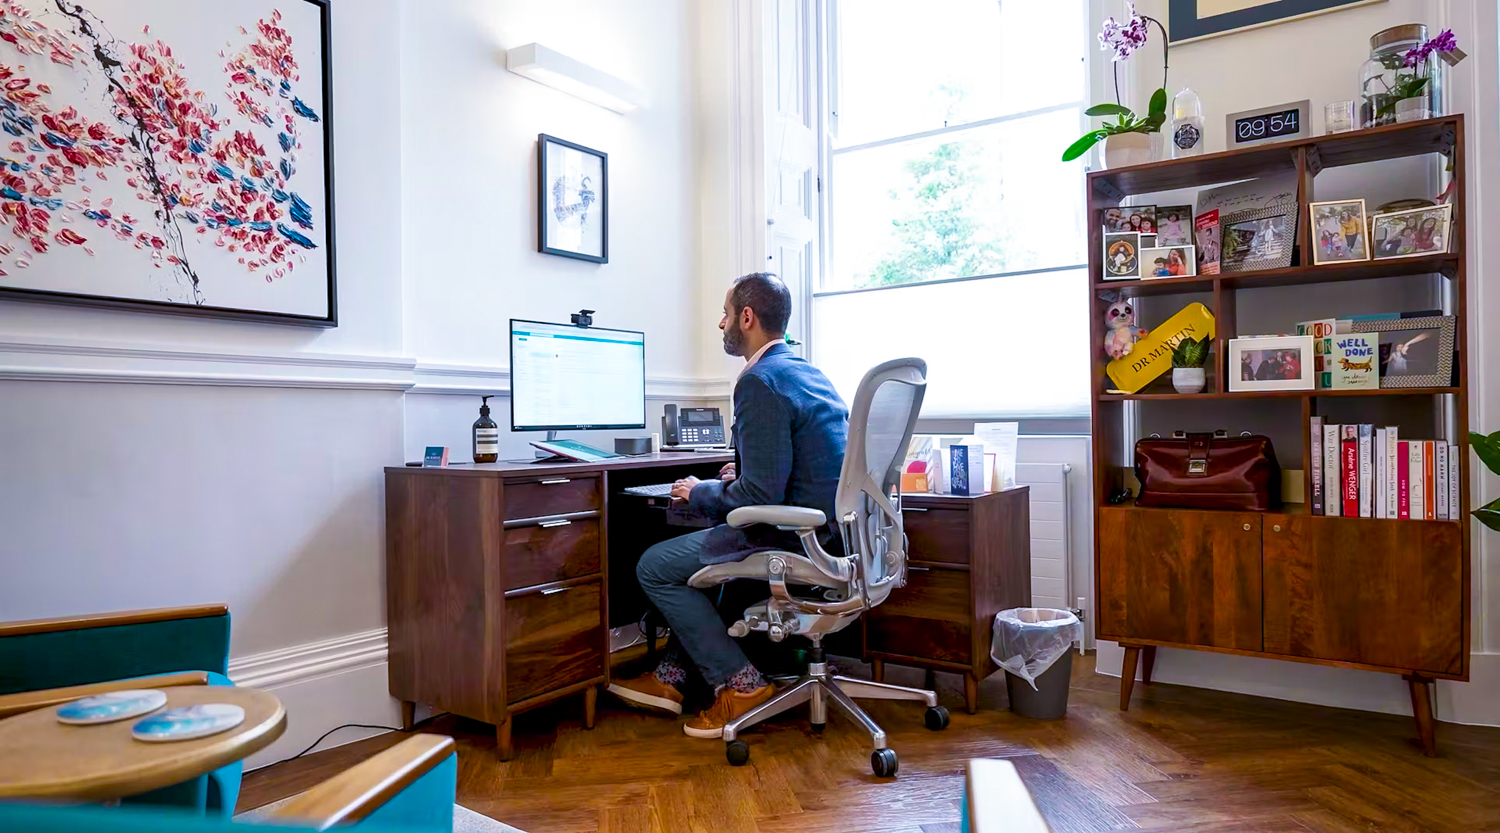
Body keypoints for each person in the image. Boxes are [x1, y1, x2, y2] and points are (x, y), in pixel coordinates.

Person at [607, 272, 849, 739]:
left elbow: (759, 498)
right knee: (707, 565)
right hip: (831, 535)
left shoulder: (759, 381)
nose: (721, 323)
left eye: (726, 313)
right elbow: (803, 466)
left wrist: (697, 490)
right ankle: (670, 678)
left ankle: (741, 686)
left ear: (747, 317)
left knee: (655, 566)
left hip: (790, 539)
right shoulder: (804, 371)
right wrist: (744, 472)